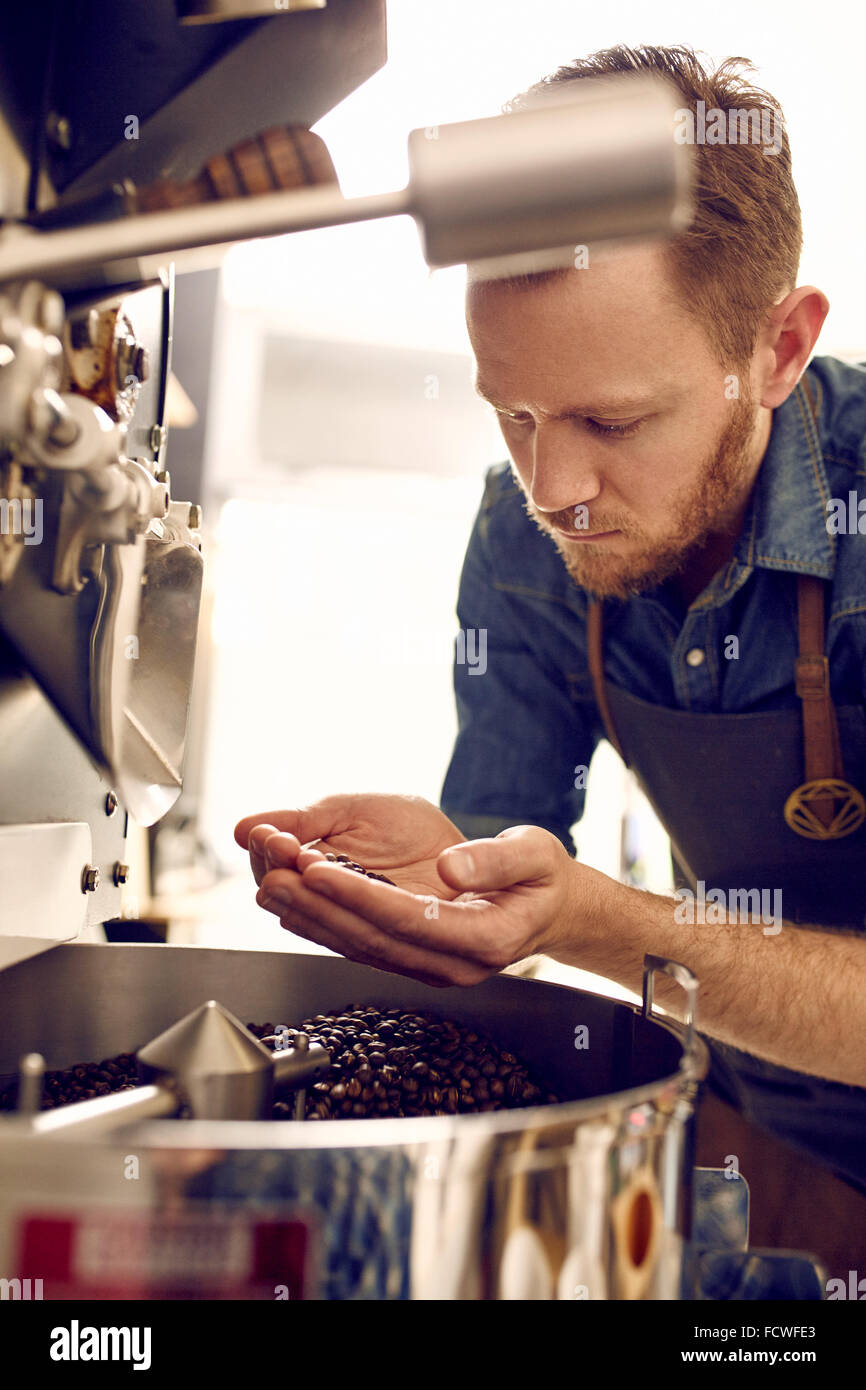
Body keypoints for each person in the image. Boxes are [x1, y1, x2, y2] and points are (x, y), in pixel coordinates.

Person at [235, 46, 866, 1195]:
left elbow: (572, 917)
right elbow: (495, 865)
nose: (553, 484)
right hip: (751, 1139)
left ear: (774, 351)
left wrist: (586, 921)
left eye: (611, 423)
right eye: (511, 411)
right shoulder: (524, 538)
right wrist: (443, 881)